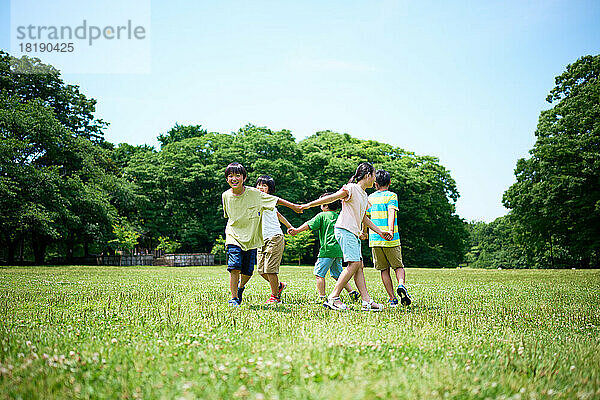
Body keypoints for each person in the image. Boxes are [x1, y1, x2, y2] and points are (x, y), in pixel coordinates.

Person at [300, 162, 393, 311]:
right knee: (354, 264)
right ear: (368, 175)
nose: (375, 179)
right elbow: (331, 198)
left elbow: (364, 218)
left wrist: (380, 232)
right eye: (374, 175)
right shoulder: (351, 188)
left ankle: (366, 301)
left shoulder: (364, 195)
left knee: (359, 267)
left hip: (353, 233)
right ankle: (333, 297)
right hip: (344, 229)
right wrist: (308, 205)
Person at [221, 162, 301, 307]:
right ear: (226, 179)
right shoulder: (225, 196)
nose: (234, 178)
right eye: (230, 176)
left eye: (237, 175)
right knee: (235, 267)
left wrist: (294, 207)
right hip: (234, 235)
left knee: (247, 271)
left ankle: (242, 288)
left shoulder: (255, 194)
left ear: (244, 178)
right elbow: (229, 216)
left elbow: (276, 202)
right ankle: (234, 298)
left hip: (253, 238)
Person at [288, 193, 360, 304]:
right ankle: (352, 292)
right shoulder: (339, 216)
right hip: (339, 250)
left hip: (327, 250)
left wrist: (296, 230)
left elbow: (309, 224)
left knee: (319, 274)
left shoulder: (322, 216)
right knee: (338, 274)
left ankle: (322, 297)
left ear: (325, 206)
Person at [364, 169, 412, 307]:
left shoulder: (370, 198)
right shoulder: (392, 196)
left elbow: (365, 217)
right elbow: (392, 213)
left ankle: (392, 299)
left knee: (384, 270)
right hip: (391, 238)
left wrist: (364, 232)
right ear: (389, 182)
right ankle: (401, 285)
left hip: (375, 239)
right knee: (398, 267)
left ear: (375, 184)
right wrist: (390, 231)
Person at [255, 175, 291, 304]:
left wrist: (289, 226)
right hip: (261, 239)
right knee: (261, 270)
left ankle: (275, 297)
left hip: (274, 236)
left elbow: (278, 214)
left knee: (270, 269)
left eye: (264, 186)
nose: (260, 187)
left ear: (270, 189)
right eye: (258, 185)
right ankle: (279, 286)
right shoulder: (254, 201)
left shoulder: (269, 200)